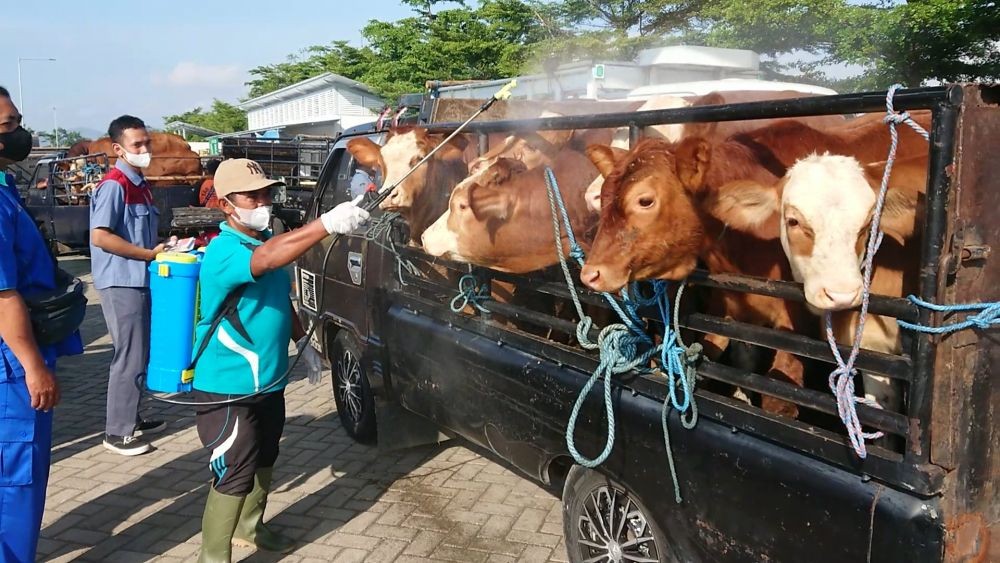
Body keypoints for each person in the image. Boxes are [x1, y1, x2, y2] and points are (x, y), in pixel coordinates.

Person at [192, 158, 368, 562]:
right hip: (226, 386)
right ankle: (213, 557)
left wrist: (303, 341)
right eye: (251, 195)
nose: (263, 201)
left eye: (267, 193)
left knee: (266, 455)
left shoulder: (261, 240)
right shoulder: (224, 251)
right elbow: (270, 259)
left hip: (268, 380)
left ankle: (251, 528)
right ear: (225, 205)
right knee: (234, 469)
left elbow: (279, 300)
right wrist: (325, 224)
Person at [0, 85, 82, 562]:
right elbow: (4, 293)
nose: (19, 133)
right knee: (16, 477)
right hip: (11, 362)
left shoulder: (5, 187)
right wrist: (33, 366)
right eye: (8, 126)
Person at [89, 115, 167, 456]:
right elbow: (101, 236)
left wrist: (163, 245)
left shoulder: (140, 184)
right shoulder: (114, 185)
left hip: (139, 279)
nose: (145, 149)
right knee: (129, 355)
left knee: (141, 352)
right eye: (137, 145)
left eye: (146, 142)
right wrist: (148, 253)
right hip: (121, 282)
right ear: (119, 148)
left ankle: (131, 417)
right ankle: (117, 431)